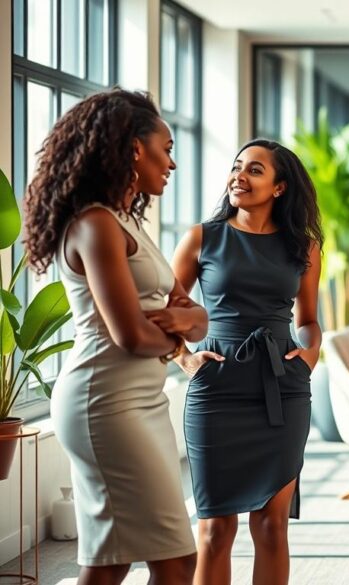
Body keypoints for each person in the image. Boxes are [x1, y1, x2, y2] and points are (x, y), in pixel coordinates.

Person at [24, 89, 203, 584]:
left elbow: (189, 315)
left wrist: (185, 322)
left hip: (139, 398)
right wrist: (178, 326)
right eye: (165, 149)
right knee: (175, 559)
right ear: (132, 149)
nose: (171, 163)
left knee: (112, 558)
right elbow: (131, 335)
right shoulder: (96, 223)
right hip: (105, 401)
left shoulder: (126, 220)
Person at [170, 139, 323, 584]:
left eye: (255, 170)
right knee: (216, 528)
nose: (239, 176)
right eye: (237, 167)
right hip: (216, 389)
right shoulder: (202, 237)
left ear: (279, 188)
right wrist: (185, 360)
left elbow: (309, 319)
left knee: (272, 527)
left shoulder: (304, 247)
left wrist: (309, 354)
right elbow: (167, 313)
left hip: (283, 388)